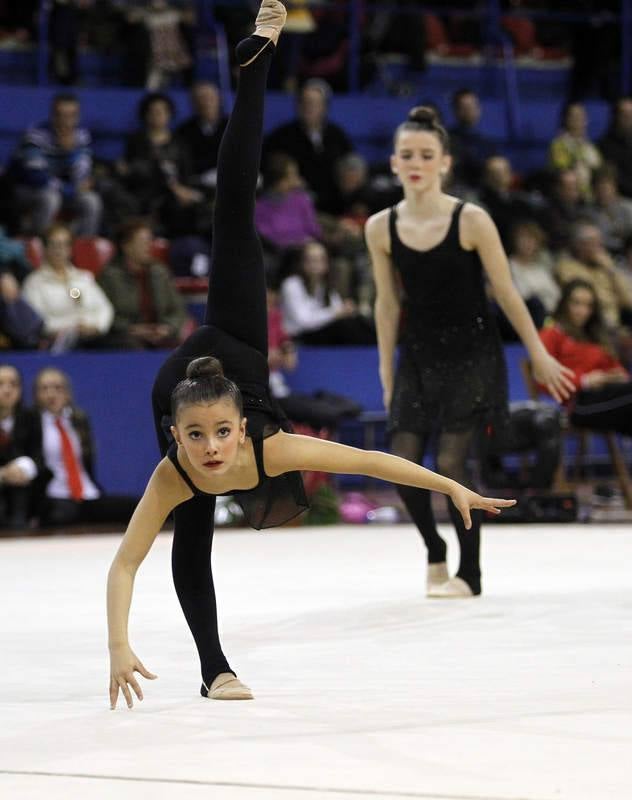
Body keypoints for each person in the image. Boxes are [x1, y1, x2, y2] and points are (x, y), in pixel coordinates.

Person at [106, 4, 516, 711]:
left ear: (243, 427)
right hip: (182, 382)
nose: (208, 450)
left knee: (235, 209)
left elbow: (373, 464)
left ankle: (256, 65)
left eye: (219, 437)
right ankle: (215, 668)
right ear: (178, 437)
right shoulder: (178, 467)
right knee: (194, 529)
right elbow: (125, 563)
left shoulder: (272, 445)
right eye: (197, 439)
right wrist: (118, 643)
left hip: (235, 348)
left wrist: (451, 486)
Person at [365, 106, 575, 599]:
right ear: (394, 163)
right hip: (418, 352)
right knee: (401, 460)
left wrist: (538, 352)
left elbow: (506, 293)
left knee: (452, 464)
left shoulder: (471, 219)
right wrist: (385, 368)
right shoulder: (380, 227)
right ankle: (435, 552)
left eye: (427, 154)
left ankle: (471, 572)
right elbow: (387, 302)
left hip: (472, 351)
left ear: (445, 163)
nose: (416, 162)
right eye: (407, 155)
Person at [31, 367, 139, 527]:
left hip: (88, 495)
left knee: (137, 507)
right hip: (54, 497)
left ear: (67, 393)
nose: (51, 394)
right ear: (36, 395)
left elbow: (85, 461)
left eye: (57, 388)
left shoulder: (78, 420)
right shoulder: (31, 423)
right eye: (44, 388)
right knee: (62, 514)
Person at [538, 280, 632, 436]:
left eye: (589, 305)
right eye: (576, 303)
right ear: (564, 304)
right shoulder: (551, 334)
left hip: (607, 397)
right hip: (575, 404)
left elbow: (616, 370)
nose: (583, 311)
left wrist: (616, 376)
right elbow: (543, 380)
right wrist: (586, 380)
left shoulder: (594, 336)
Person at [10, 92, 103, 237]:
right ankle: (39, 245)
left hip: (64, 190)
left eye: (71, 116)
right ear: (53, 116)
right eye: (61, 115)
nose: (65, 121)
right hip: (29, 191)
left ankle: (81, 249)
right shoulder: (35, 135)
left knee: (91, 201)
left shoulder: (81, 136)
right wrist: (70, 190)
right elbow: (37, 177)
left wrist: (70, 151)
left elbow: (81, 175)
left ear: (77, 117)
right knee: (51, 198)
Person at [97, 218, 188, 349]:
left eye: (150, 241)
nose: (149, 246)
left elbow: (178, 308)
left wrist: (168, 328)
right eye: (143, 242)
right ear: (126, 246)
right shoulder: (109, 276)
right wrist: (132, 329)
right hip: (125, 336)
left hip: (160, 334)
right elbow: (103, 312)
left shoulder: (160, 272)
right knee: (131, 345)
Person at [21, 223, 114, 351]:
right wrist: (71, 328)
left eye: (65, 245)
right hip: (56, 341)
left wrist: (96, 326)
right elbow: (37, 320)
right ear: (45, 248)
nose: (60, 250)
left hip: (92, 337)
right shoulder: (34, 283)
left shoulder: (84, 277)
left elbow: (104, 308)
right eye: (54, 245)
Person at [0, 364, 40, 529]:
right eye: (0, 384)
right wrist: (3, 473)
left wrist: (24, 469)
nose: (7, 390)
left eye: (13, 384)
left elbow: (39, 457)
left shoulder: (30, 418)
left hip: (24, 489)